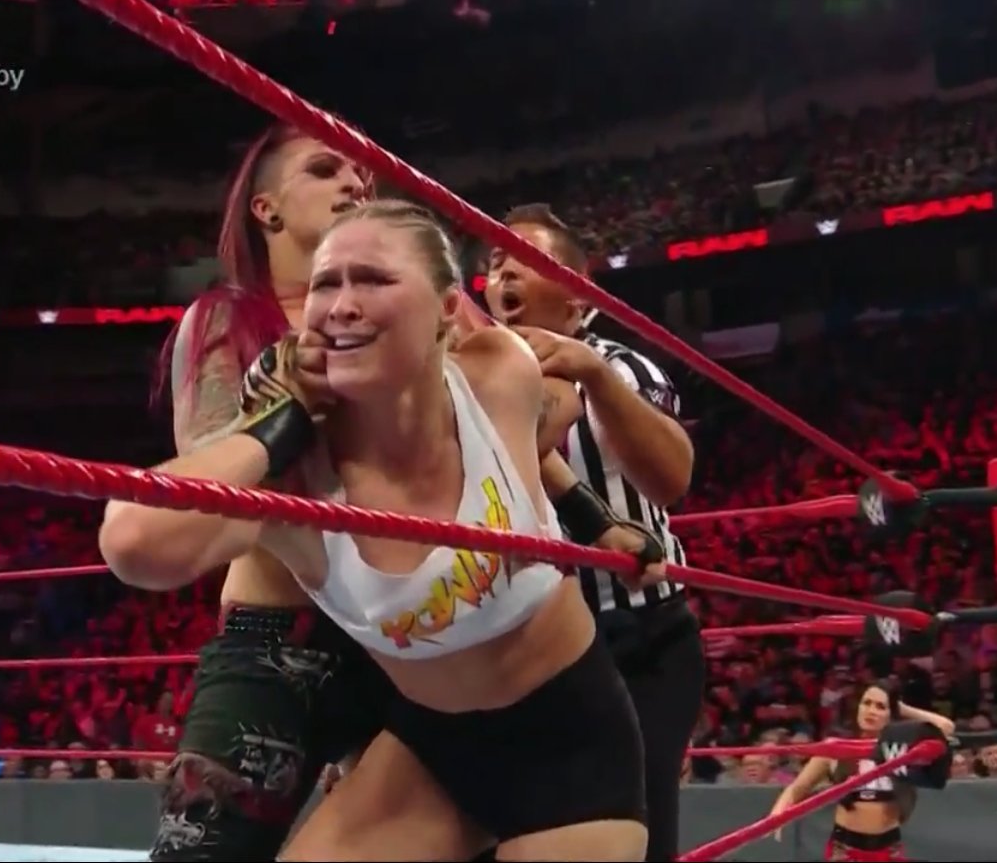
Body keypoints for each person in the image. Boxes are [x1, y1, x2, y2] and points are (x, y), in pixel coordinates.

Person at [101, 200, 661, 861]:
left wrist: (596, 521)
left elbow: (555, 412)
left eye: (373, 279)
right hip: (429, 756)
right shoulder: (299, 484)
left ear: (448, 309)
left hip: (573, 747)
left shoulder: (496, 372)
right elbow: (135, 545)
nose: (341, 305)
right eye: (325, 285)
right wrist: (276, 426)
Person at [143, 122, 393, 862]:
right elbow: (209, 480)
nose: (354, 182)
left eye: (362, 174)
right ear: (267, 209)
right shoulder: (227, 317)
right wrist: (294, 412)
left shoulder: (404, 314)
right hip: (281, 633)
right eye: (324, 169)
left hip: (410, 635)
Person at [484, 202, 702, 861]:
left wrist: (595, 376)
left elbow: (672, 480)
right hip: (523, 645)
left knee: (637, 829)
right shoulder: (469, 376)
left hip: (638, 636)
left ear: (577, 293)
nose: (504, 273)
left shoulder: (623, 368)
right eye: (495, 262)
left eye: (526, 260)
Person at [769, 684, 955, 862]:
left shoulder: (903, 748)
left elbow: (945, 727)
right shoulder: (837, 747)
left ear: (891, 714)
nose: (871, 711)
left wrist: (901, 708)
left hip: (889, 848)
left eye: (880, 707)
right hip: (846, 849)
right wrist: (778, 814)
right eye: (866, 703)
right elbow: (798, 787)